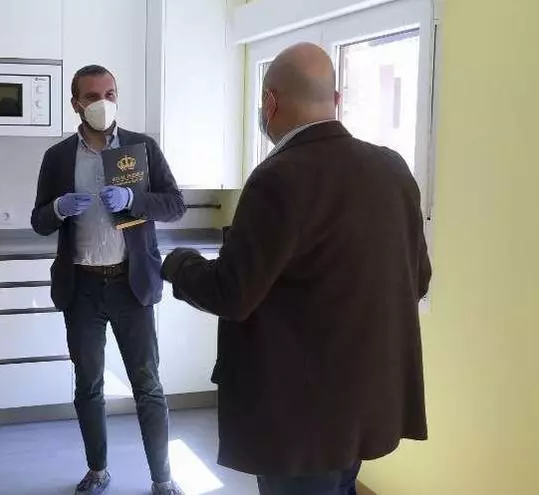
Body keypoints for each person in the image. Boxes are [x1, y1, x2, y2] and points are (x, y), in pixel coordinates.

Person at [161, 43, 432, 495]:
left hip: (299, 418)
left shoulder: (278, 178)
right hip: (366, 401)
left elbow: (232, 293)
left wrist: (177, 263)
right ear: (336, 100)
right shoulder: (391, 168)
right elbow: (418, 279)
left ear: (270, 102)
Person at [31, 65, 187, 495]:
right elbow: (39, 221)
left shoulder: (142, 148)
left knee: (147, 385)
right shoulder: (58, 157)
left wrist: (134, 198)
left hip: (130, 285)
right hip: (81, 287)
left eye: (110, 93)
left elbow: (175, 205)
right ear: (75, 103)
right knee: (88, 386)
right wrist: (58, 208)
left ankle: (162, 479)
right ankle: (98, 470)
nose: (103, 102)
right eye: (92, 96)